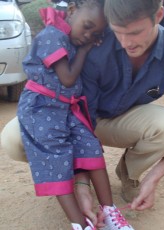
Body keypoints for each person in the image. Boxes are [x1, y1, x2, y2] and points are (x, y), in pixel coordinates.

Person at [1, 0, 164, 225]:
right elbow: (71, 112)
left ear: (159, 15)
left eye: (135, 32)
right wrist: (82, 183)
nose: (126, 43)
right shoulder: (94, 37)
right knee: (13, 138)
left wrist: (154, 177)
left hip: (120, 121)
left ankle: (130, 176)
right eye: (118, 32)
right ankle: (67, 176)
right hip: (74, 116)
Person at [6, 1, 134, 230]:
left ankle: (109, 212)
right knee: (55, 161)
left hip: (66, 109)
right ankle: (81, 225)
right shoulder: (52, 35)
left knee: (91, 147)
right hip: (41, 109)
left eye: (95, 34)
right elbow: (67, 78)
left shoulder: (69, 37)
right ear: (73, 11)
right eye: (86, 26)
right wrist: (85, 50)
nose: (87, 36)